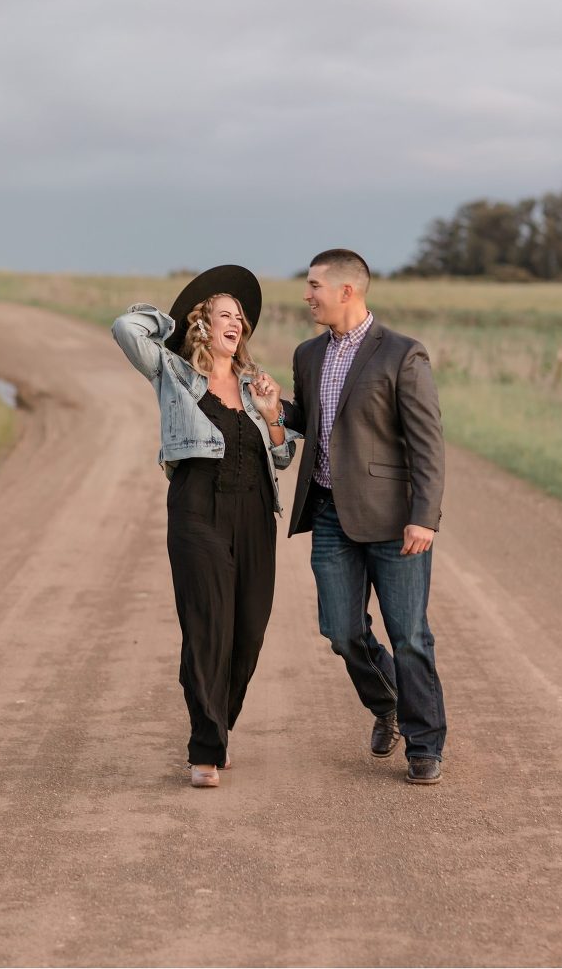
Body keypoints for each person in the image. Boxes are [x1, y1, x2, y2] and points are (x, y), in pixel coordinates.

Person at [111, 265, 294, 789]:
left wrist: (272, 412)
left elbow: (281, 457)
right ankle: (205, 748)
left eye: (240, 317)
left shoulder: (253, 383)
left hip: (255, 512)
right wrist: (169, 323)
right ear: (201, 325)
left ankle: (221, 726)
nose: (236, 322)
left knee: (249, 631)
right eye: (224, 315)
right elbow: (126, 330)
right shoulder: (172, 371)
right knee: (207, 626)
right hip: (196, 509)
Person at [279, 248, 447, 785]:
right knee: (341, 630)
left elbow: (428, 444)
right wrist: (273, 406)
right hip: (329, 514)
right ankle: (388, 703)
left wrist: (424, 516)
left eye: (314, 286)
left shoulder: (402, 354)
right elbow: (311, 418)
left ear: (347, 291)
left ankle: (424, 743)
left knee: (410, 636)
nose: (307, 296)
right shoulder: (307, 354)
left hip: (395, 522)